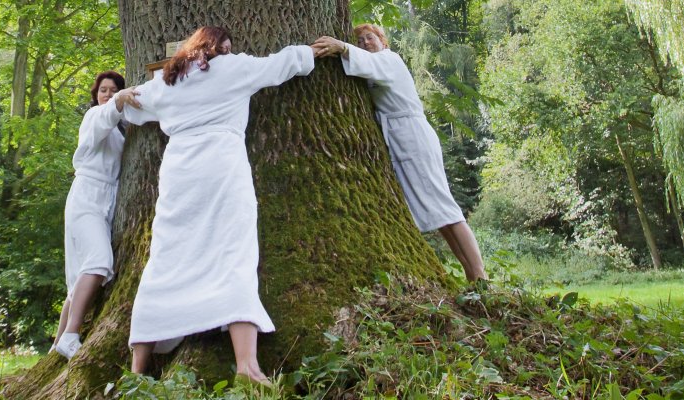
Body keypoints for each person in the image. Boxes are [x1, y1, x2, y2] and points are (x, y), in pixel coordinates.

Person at [114, 26, 321, 386]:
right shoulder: (231, 68)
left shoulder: (168, 82)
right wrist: (312, 53)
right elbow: (279, 65)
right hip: (222, 167)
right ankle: (247, 365)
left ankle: (136, 373)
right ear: (210, 48)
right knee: (234, 255)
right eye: (222, 47)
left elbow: (133, 106)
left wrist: (120, 99)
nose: (226, 52)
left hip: (179, 171)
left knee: (165, 259)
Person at [312, 25, 488, 282]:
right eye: (360, 41)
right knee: (439, 215)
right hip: (401, 136)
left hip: (412, 135)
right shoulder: (374, 64)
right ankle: (471, 274)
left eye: (370, 38)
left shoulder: (390, 60)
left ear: (383, 41)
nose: (365, 43)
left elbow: (371, 65)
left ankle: (480, 275)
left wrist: (343, 47)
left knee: (446, 209)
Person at [53, 71, 130, 359]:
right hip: (87, 196)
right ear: (96, 95)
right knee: (98, 263)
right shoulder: (94, 117)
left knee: (78, 279)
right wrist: (119, 101)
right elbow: (104, 120)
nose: (107, 95)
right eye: (103, 91)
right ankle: (72, 334)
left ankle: (56, 346)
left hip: (107, 200)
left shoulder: (121, 129)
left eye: (113, 91)